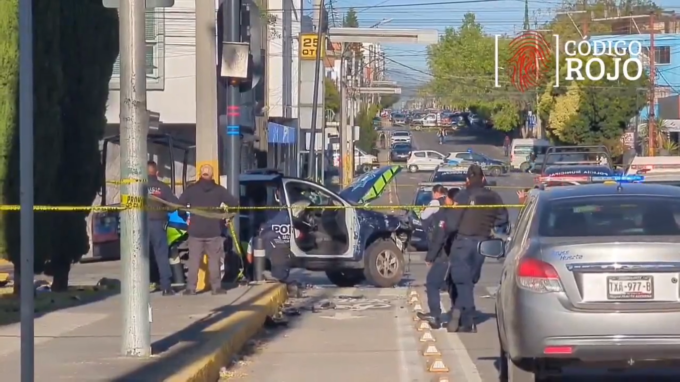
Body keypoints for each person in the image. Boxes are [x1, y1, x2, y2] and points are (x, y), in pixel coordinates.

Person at [428, 164, 508, 333]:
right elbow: (503, 219)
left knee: (461, 281)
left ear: (467, 180)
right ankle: (459, 318)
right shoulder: (493, 196)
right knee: (468, 282)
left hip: (463, 243)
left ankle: (469, 318)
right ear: (483, 179)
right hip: (482, 244)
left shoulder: (463, 196)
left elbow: (451, 224)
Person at [179, 164, 239, 295]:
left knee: (194, 260)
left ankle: (190, 288)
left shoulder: (191, 190)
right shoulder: (219, 190)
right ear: (212, 175)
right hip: (214, 230)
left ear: (200, 174)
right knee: (214, 260)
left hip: (195, 230)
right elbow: (234, 204)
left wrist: (186, 219)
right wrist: (228, 217)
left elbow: (180, 206)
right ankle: (216, 287)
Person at [146, 161, 180, 296]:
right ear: (157, 173)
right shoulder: (162, 187)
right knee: (161, 256)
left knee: (141, 256)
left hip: (140, 225)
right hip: (158, 224)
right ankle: (166, 287)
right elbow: (174, 205)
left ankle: (141, 287)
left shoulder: (137, 187)